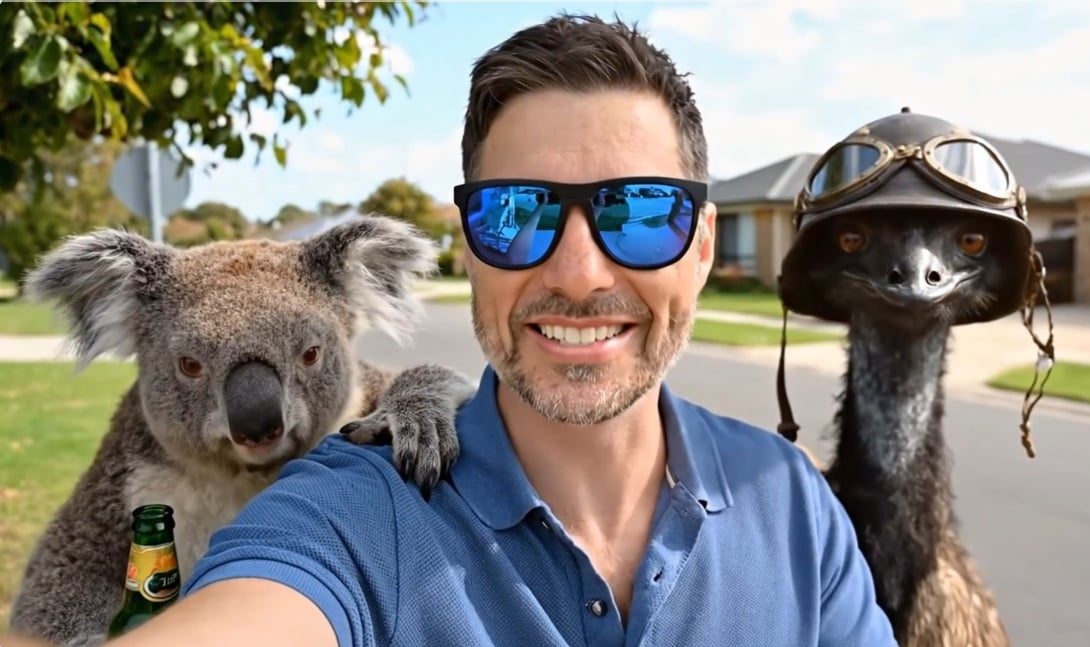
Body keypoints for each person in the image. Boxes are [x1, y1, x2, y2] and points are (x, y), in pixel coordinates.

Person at [26, 13, 894, 647]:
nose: (580, 271)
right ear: (469, 250)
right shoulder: (350, 507)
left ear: (703, 246)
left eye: (639, 213)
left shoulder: (792, 501)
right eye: (517, 215)